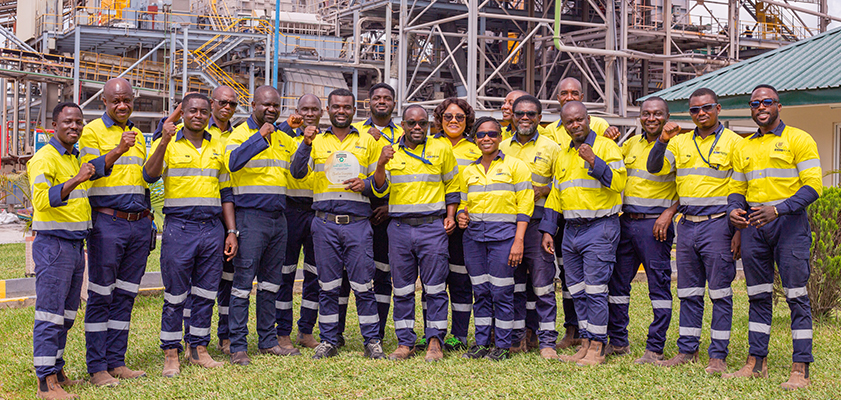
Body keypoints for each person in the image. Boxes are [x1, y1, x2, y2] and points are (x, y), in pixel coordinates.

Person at [725, 85, 821, 389]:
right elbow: (737, 188)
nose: (761, 107)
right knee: (758, 295)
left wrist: (778, 210)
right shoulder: (744, 146)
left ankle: (800, 368)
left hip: (789, 225)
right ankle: (756, 363)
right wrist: (733, 209)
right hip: (754, 227)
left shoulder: (799, 139)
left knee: (796, 296)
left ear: (779, 106)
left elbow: (813, 186)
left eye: (767, 102)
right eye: (755, 103)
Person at [646, 88, 742, 374]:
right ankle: (687, 350)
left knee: (720, 293)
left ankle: (718, 356)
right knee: (688, 292)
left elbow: (743, 188)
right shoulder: (679, 142)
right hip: (687, 225)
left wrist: (739, 231)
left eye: (706, 107)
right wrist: (663, 140)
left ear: (718, 108)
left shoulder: (735, 142)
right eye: (694, 110)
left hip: (719, 224)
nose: (701, 113)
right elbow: (654, 168)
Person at [144, 93, 237, 377]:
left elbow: (226, 191)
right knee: (175, 295)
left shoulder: (217, 145)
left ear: (210, 114)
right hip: (180, 227)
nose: (198, 115)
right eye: (192, 111)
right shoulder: (169, 142)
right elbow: (149, 175)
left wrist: (231, 231)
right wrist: (163, 141)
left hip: (212, 228)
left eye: (203, 111)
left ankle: (198, 349)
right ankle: (171, 353)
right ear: (182, 113)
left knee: (206, 293)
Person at [291, 88, 386, 359]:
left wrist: (365, 184)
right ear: (328, 110)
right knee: (328, 286)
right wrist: (305, 144)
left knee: (363, 285)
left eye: (346, 107)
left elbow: (382, 184)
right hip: (325, 223)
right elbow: (297, 173)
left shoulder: (368, 140)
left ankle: (372, 341)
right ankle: (329, 339)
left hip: (357, 223)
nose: (341, 111)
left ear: (354, 110)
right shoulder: (316, 141)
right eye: (336, 106)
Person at [539, 101, 626, 366]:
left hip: (600, 227)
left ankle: (598, 347)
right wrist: (548, 230)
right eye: (569, 122)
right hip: (571, 230)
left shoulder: (606, 147)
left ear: (588, 119)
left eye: (579, 119)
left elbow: (619, 183)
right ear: (563, 126)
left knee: (596, 290)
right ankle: (586, 342)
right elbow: (556, 195)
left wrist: (593, 161)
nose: (575, 125)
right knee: (577, 290)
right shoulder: (563, 155)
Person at [80, 77, 153, 386]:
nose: (122, 105)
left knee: (125, 295)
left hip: (138, 224)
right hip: (107, 224)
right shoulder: (92, 131)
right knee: (101, 295)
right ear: (105, 102)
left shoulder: (138, 134)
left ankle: (116, 361)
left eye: (127, 100)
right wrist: (119, 149)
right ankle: (97, 367)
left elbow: (143, 181)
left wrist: (148, 220)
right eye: (116, 101)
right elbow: (89, 171)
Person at [372, 105, 459, 362]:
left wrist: (450, 216)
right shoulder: (390, 152)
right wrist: (380, 164)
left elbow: (453, 185)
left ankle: (434, 341)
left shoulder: (441, 149)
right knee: (402, 289)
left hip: (432, 227)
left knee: (435, 288)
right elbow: (379, 189)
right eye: (412, 123)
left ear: (429, 125)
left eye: (422, 122)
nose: (417, 127)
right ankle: (405, 342)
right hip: (399, 228)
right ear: (403, 125)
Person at [224, 85, 299, 366]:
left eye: (276, 105)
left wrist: (305, 143)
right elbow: (232, 163)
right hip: (250, 217)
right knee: (243, 285)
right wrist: (259, 137)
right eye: (266, 104)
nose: (271, 109)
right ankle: (238, 346)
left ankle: (268, 341)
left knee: (270, 284)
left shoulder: (283, 138)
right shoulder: (239, 134)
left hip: (279, 218)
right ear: (253, 105)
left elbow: (298, 169)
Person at [29, 103, 96, 399]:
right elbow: (42, 200)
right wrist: (78, 178)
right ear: (54, 125)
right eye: (68, 121)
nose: (74, 126)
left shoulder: (74, 157)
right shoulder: (45, 158)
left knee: (66, 315)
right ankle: (46, 382)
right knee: (50, 315)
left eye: (79, 122)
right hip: (53, 245)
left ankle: (57, 371)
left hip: (74, 245)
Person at [458, 116, 534, 361]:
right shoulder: (469, 170)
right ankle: (481, 343)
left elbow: (525, 207)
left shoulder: (516, 166)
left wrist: (519, 241)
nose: (487, 138)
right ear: (475, 139)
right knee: (480, 291)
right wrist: (460, 214)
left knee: (501, 292)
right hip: (474, 239)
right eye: (481, 135)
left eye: (492, 134)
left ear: (501, 137)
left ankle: (502, 345)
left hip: (504, 238)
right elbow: (463, 202)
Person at [610, 96, 678, 364]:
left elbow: (688, 185)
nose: (651, 118)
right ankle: (618, 342)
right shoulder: (630, 144)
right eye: (646, 113)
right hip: (626, 222)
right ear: (639, 117)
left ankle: (655, 348)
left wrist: (670, 213)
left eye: (657, 114)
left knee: (658, 286)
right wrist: (608, 140)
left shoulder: (678, 145)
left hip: (655, 226)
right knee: (617, 284)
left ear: (667, 117)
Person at [498, 95, 560, 359]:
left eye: (531, 114)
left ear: (540, 118)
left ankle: (547, 342)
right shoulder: (501, 146)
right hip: (507, 226)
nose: (525, 118)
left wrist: (549, 227)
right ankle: (516, 338)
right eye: (520, 113)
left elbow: (563, 186)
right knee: (513, 286)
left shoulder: (552, 148)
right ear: (512, 116)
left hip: (538, 225)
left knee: (543, 287)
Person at [428, 98, 480, 351]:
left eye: (460, 117)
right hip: (433, 221)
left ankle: (459, 335)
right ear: (440, 119)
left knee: (461, 281)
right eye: (448, 116)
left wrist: (465, 211)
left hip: (464, 224)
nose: (453, 121)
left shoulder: (476, 149)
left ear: (467, 121)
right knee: (433, 281)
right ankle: (431, 334)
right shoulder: (428, 145)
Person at [352, 83, 403, 341]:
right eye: (377, 98)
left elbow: (408, 176)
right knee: (350, 274)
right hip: (358, 210)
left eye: (387, 98)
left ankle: (379, 331)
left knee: (383, 273)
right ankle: (337, 332)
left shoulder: (405, 133)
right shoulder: (355, 132)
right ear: (368, 102)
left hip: (389, 212)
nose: (381, 101)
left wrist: (390, 207)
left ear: (394, 103)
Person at [273, 94, 324, 349]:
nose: (310, 113)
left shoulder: (326, 140)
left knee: (314, 274)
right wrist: (287, 126)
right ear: (297, 111)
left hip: (317, 211)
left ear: (322, 112)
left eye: (314, 109)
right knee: (285, 274)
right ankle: (282, 331)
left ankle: (306, 330)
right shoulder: (286, 135)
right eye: (305, 109)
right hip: (291, 210)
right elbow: (270, 137)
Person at [546, 77, 620, 145]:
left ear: (581, 97)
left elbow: (608, 150)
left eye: (574, 94)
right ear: (558, 98)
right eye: (564, 93)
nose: (569, 98)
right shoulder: (551, 130)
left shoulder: (599, 124)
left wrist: (611, 134)